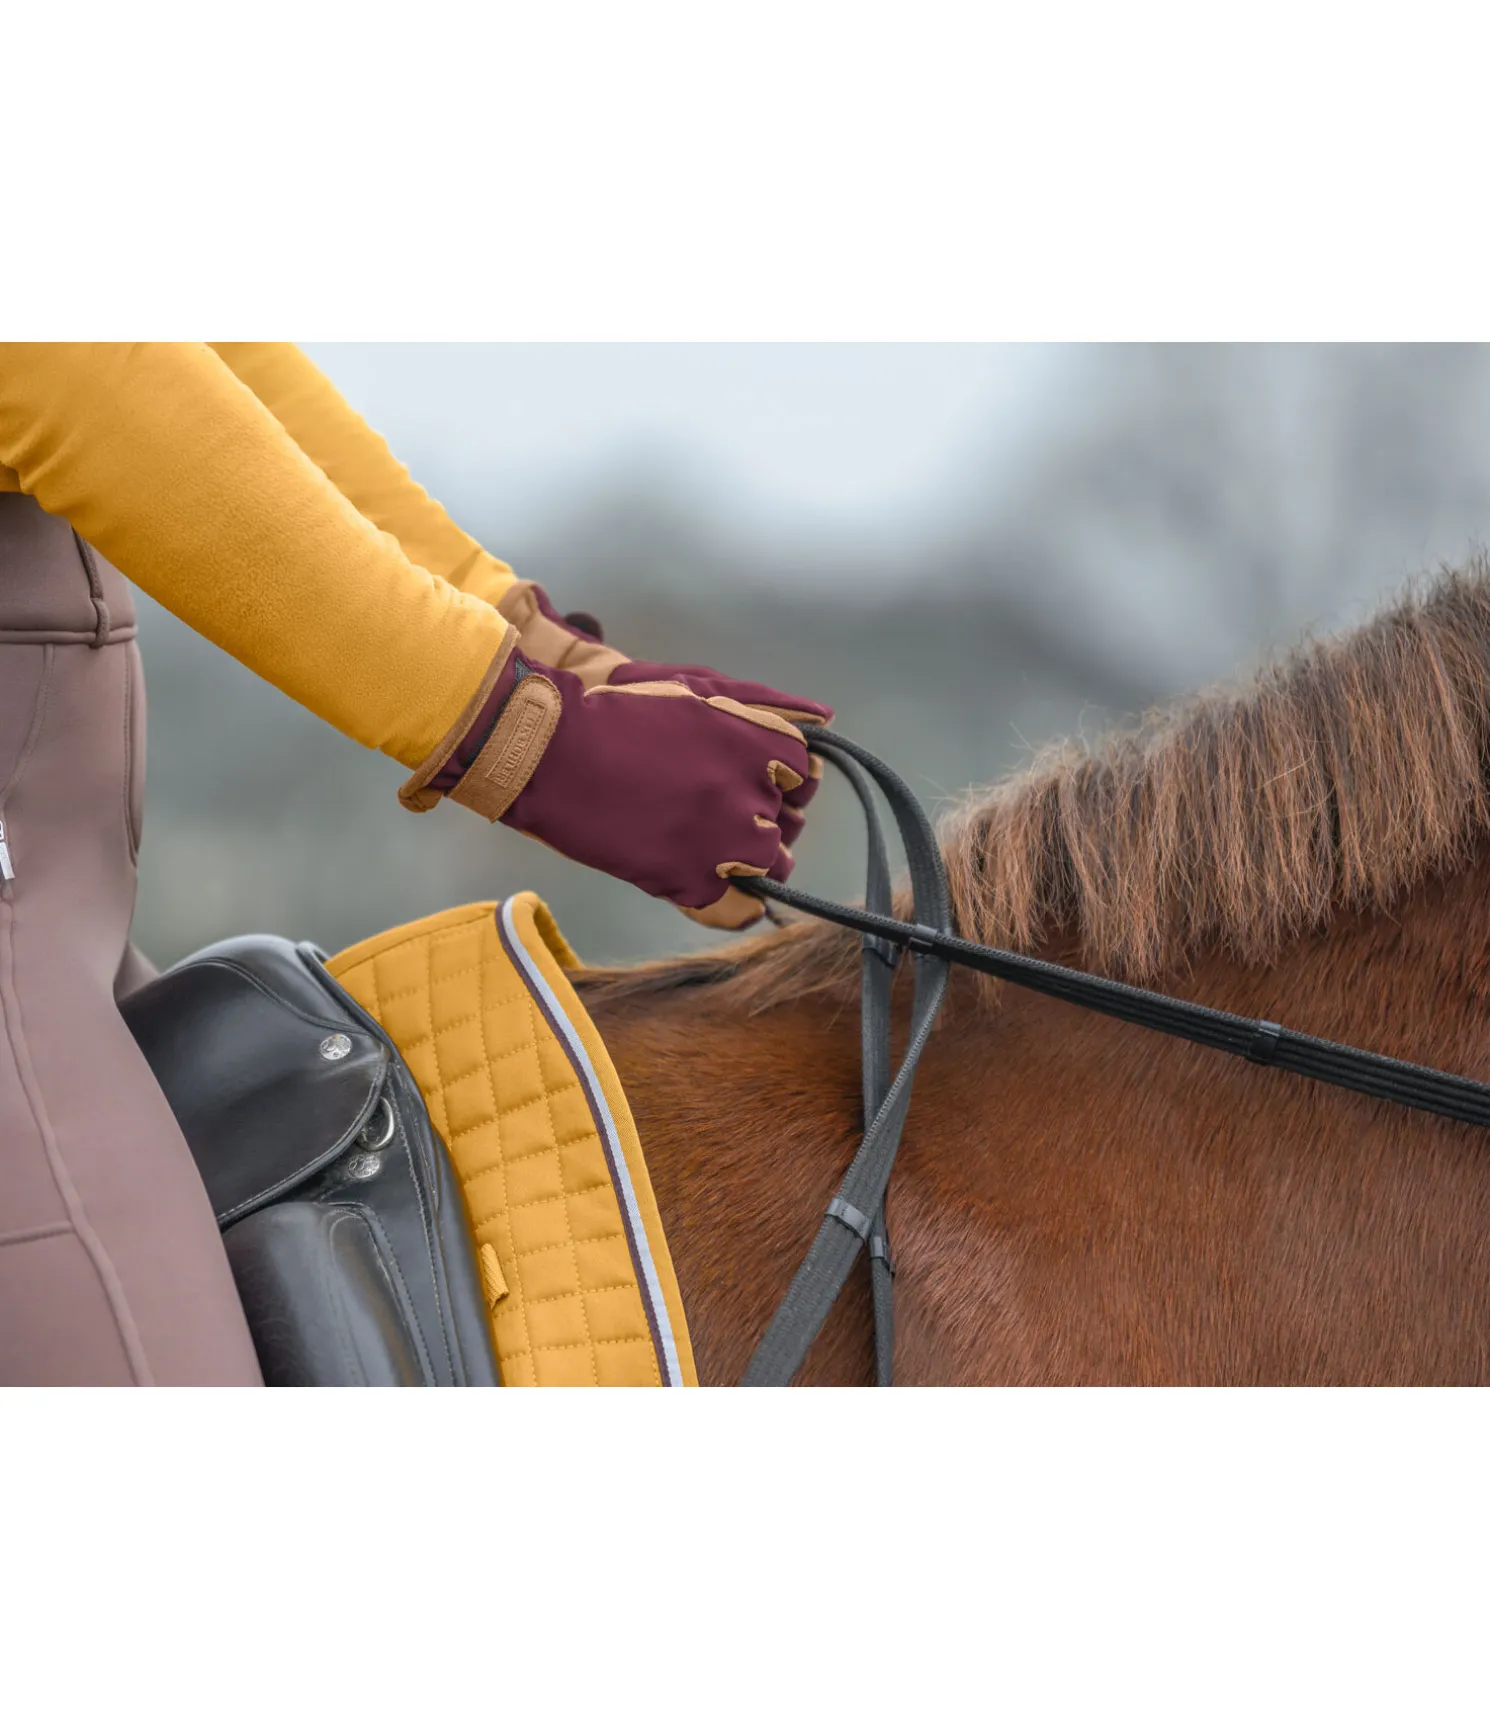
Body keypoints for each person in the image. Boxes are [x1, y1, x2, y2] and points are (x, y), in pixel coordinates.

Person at [0, 343, 833, 1385]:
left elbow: (197, 350)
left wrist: (548, 653)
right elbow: (64, 364)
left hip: (68, 948)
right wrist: (535, 735)